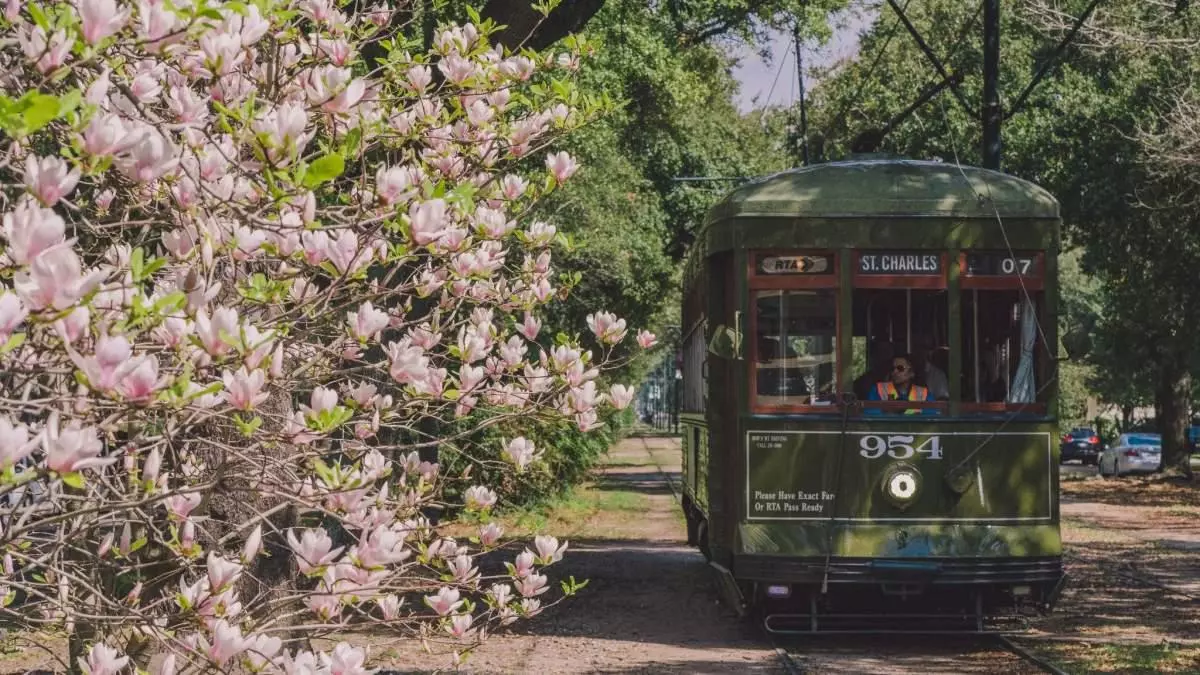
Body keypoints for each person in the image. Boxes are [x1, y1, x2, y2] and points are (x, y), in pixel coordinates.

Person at [866, 353, 938, 415]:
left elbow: (932, 417)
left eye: (900, 368)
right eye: (893, 368)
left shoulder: (924, 394)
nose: (895, 372)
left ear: (912, 373)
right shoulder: (878, 390)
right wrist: (886, 411)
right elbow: (869, 413)